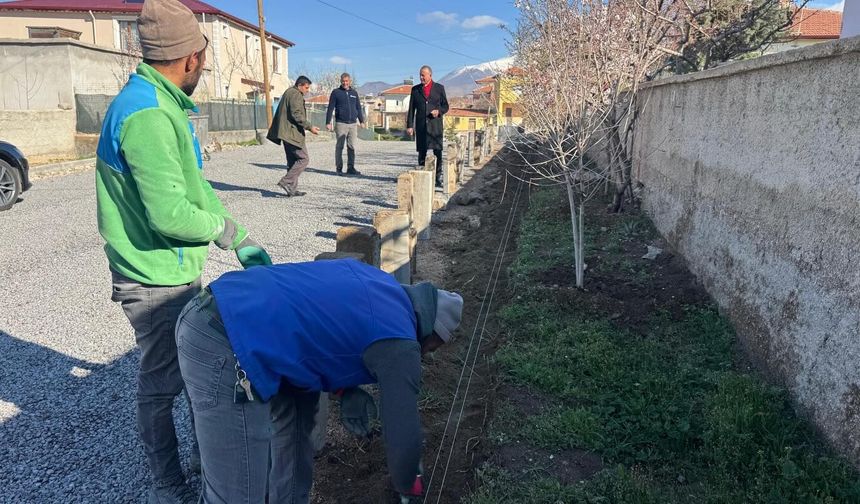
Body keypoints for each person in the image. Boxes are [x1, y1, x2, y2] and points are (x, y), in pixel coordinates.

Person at [94, 0, 272, 502]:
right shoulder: (147, 116)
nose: (204, 66)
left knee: (190, 369)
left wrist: (236, 230)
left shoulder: (162, 104)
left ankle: (202, 459)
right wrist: (228, 234)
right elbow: (170, 215)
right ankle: (167, 483)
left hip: (170, 268)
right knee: (162, 382)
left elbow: (194, 187)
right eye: (204, 57)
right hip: (152, 277)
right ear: (191, 58)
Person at [175, 258, 464, 503]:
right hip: (227, 337)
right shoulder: (401, 343)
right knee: (238, 491)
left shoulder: (380, 283)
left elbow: (324, 326)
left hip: (241, 312)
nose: (427, 355)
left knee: (296, 443)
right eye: (432, 348)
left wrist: (344, 388)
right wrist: (409, 486)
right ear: (429, 332)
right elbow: (403, 428)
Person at [267, 76, 320, 197]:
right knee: (303, 159)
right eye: (306, 88)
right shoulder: (296, 94)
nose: (307, 90)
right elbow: (296, 114)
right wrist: (309, 127)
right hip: (291, 133)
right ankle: (286, 181)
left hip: (285, 133)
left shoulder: (289, 92)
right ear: (300, 85)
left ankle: (291, 189)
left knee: (292, 161)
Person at [406, 65, 449, 188]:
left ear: (430, 75)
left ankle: (437, 178)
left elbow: (446, 106)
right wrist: (410, 125)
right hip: (421, 126)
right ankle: (421, 177)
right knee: (422, 151)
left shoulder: (439, 88)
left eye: (423, 75)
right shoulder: (415, 90)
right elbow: (411, 109)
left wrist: (438, 111)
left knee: (437, 152)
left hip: (435, 126)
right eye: (420, 75)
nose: (421, 77)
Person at [325, 72, 365, 176]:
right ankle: (339, 168)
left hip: (353, 124)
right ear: (341, 81)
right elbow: (330, 108)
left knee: (351, 146)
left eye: (347, 81)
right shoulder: (336, 92)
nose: (345, 83)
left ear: (350, 81)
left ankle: (351, 168)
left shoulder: (354, 93)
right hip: (341, 123)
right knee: (340, 146)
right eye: (343, 81)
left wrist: (361, 121)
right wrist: (328, 122)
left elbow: (358, 108)